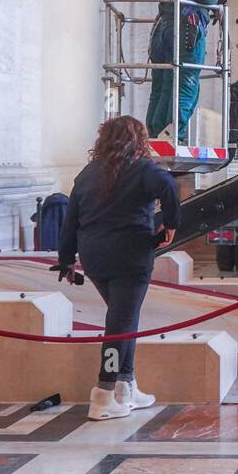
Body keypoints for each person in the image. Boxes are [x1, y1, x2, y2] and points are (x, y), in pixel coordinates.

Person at [55, 116, 180, 421]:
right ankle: (103, 393)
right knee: (119, 325)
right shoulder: (144, 169)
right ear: (139, 140)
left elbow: (70, 218)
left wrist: (66, 258)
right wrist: (171, 226)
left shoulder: (88, 173)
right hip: (131, 256)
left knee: (124, 319)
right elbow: (168, 187)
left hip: (95, 257)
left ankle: (127, 386)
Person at [145, 0, 227, 143]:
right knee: (186, 84)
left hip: (163, 29)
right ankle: (174, 136)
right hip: (187, 30)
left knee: (162, 85)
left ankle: (154, 134)